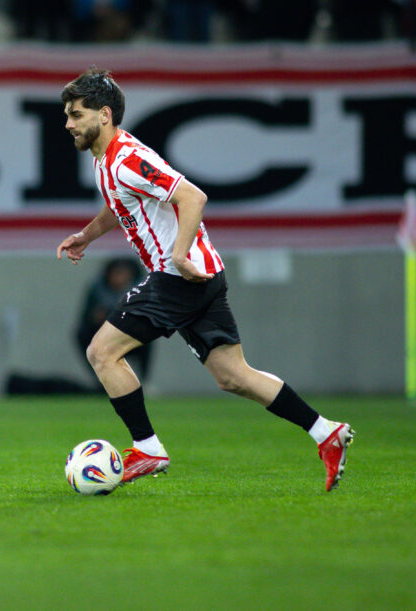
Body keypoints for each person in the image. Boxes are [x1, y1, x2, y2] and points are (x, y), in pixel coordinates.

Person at [55, 67, 354, 491]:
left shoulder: (126, 158)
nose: (68, 124)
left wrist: (178, 254)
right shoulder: (107, 160)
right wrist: (86, 236)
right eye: (67, 115)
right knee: (232, 375)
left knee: (102, 352)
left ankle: (148, 448)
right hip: (202, 276)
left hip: (177, 277)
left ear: (104, 115)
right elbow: (119, 204)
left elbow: (193, 196)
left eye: (76, 114)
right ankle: (326, 432)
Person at [76, 257, 154, 380]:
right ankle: (100, 379)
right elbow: (86, 317)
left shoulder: (140, 289)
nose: (119, 278)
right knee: (83, 335)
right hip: (102, 335)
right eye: (116, 274)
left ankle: (144, 380)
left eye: (123, 274)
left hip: (131, 336)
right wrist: (96, 317)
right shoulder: (98, 289)